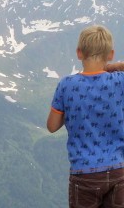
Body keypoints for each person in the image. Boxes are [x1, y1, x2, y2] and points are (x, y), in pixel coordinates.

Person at [47, 25, 124, 208]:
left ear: (79, 53)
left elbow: (52, 126)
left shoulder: (67, 85)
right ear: (111, 54)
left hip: (84, 173)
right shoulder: (120, 81)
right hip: (118, 171)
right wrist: (115, 67)